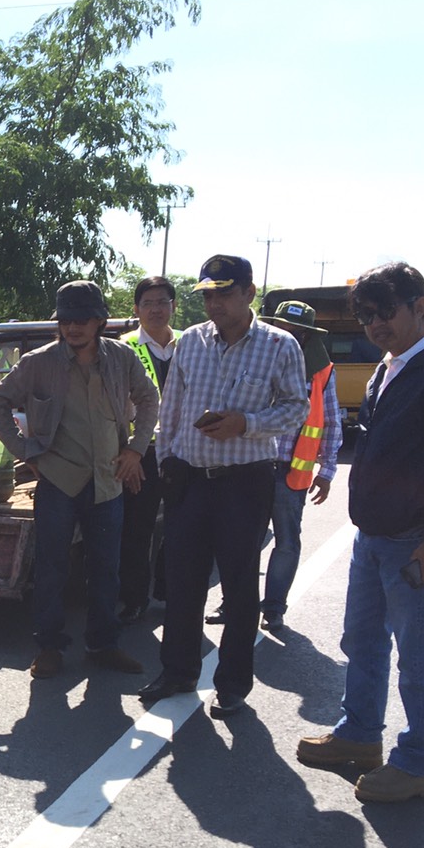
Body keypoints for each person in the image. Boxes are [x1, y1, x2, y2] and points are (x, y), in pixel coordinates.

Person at [297, 262, 424, 803]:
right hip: (374, 535)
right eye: (366, 315)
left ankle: (417, 763)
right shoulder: (387, 368)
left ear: (418, 307)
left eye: (385, 311)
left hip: (417, 539)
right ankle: (359, 735)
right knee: (361, 640)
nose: (375, 324)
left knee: (418, 655)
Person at [137, 254, 307, 719]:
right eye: (208, 295)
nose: (214, 304)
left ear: (249, 293)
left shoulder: (279, 345)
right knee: (182, 582)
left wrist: (245, 423)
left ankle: (232, 683)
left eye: (225, 294)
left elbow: (296, 407)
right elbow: (171, 408)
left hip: (244, 482)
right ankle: (178, 671)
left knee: (238, 585)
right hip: (189, 479)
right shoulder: (191, 342)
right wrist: (167, 462)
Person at [0, 280, 160, 679]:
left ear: (99, 321)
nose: (73, 328)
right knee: (51, 569)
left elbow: (149, 399)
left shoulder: (121, 357)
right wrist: (26, 452)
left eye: (82, 320)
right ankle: (49, 647)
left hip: (107, 481)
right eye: (66, 321)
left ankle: (103, 644)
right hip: (58, 481)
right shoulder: (39, 362)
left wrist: (136, 449)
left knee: (106, 569)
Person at [258, 300, 342, 631]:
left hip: (291, 472)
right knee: (241, 541)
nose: (288, 336)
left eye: (296, 332)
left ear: (308, 337)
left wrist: (327, 470)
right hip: (251, 466)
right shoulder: (255, 358)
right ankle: (232, 603)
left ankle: (273, 608)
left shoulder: (322, 371)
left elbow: (331, 421)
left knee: (287, 543)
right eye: (282, 329)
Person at [118, 276, 181, 624]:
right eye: (148, 303)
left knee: (181, 526)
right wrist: (129, 452)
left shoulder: (191, 343)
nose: (156, 309)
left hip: (184, 451)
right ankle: (134, 599)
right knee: (137, 530)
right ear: (137, 309)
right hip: (141, 453)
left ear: (173, 306)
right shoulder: (124, 347)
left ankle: (170, 592)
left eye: (162, 302)